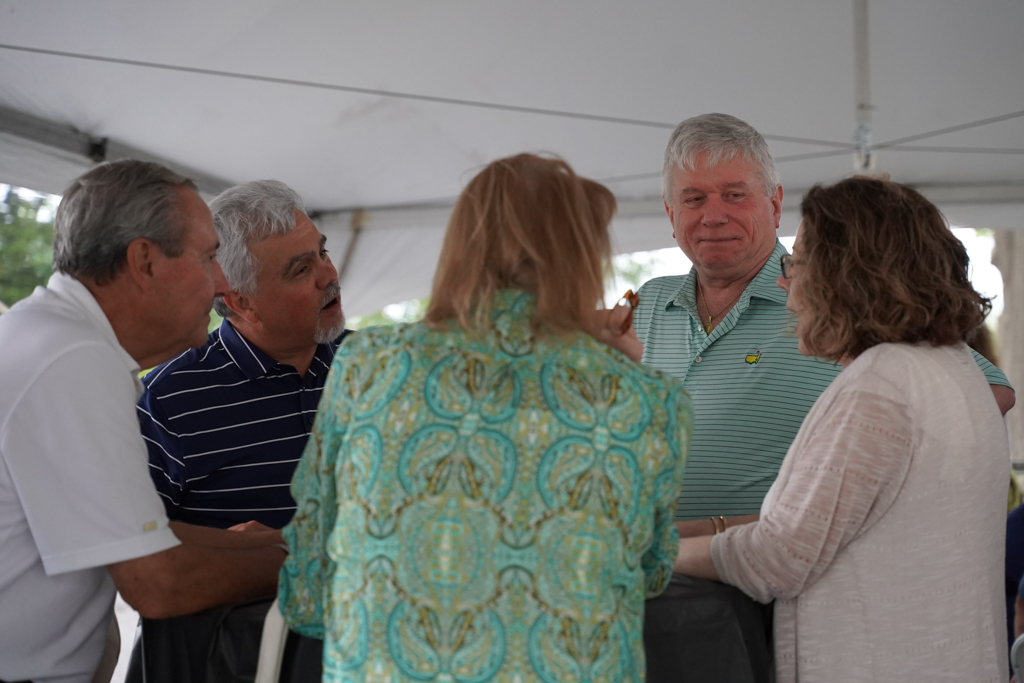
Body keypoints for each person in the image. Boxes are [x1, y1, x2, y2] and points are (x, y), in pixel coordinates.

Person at [277, 153, 690, 682]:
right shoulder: (651, 400)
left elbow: (309, 583)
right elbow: (651, 571)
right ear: (584, 257)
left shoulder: (370, 364)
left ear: (460, 247)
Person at [633, 112, 1014, 683]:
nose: (788, 283)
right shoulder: (928, 366)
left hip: (805, 624)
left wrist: (654, 551)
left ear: (846, 275)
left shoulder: (883, 383)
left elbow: (777, 554)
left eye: (801, 263)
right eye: (693, 198)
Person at [0, 161, 285, 683]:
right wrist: (308, 565)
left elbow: (124, 532)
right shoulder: (72, 359)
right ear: (145, 261)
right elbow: (158, 584)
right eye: (209, 257)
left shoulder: (46, 336)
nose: (222, 283)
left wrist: (263, 543)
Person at [138, 180, 348, 530]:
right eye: (301, 269)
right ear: (241, 302)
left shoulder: (380, 366)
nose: (329, 275)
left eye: (322, 253)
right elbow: (135, 548)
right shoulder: (164, 404)